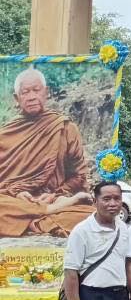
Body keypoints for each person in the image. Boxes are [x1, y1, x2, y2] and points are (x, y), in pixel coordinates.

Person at [0, 66, 94, 236]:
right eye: (25, 92)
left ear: (46, 92)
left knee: (89, 216)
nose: (32, 97)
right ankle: (45, 215)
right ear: (16, 98)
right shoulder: (6, 134)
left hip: (55, 197)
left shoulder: (65, 128)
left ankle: (33, 217)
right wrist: (17, 191)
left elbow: (79, 176)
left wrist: (55, 195)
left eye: (37, 90)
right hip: (16, 201)